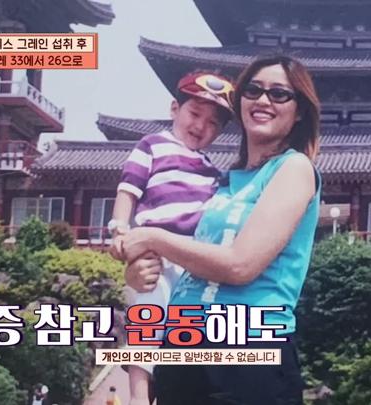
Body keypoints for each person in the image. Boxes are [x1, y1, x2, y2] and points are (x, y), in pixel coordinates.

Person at [122, 55, 322, 405]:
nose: (263, 100)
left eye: (279, 94)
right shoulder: (220, 181)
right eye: (253, 90)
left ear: (299, 111)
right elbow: (184, 256)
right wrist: (139, 271)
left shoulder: (293, 168)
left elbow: (239, 265)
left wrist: (153, 238)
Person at [107, 71, 234, 405]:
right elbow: (128, 190)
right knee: (148, 314)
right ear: (174, 109)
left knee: (180, 328)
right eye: (195, 113)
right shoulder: (151, 145)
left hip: (190, 257)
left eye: (213, 123)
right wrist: (119, 229)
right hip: (154, 253)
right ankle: (138, 396)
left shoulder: (212, 170)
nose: (201, 126)